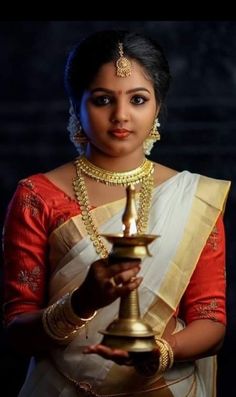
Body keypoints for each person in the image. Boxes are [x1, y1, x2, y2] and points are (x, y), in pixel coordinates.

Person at [2, 29, 231, 397]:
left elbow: (211, 321)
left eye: (138, 99)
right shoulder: (37, 197)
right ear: (76, 105)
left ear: (158, 106)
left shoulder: (193, 197)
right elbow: (16, 330)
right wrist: (82, 302)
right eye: (103, 100)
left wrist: (159, 354)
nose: (121, 115)